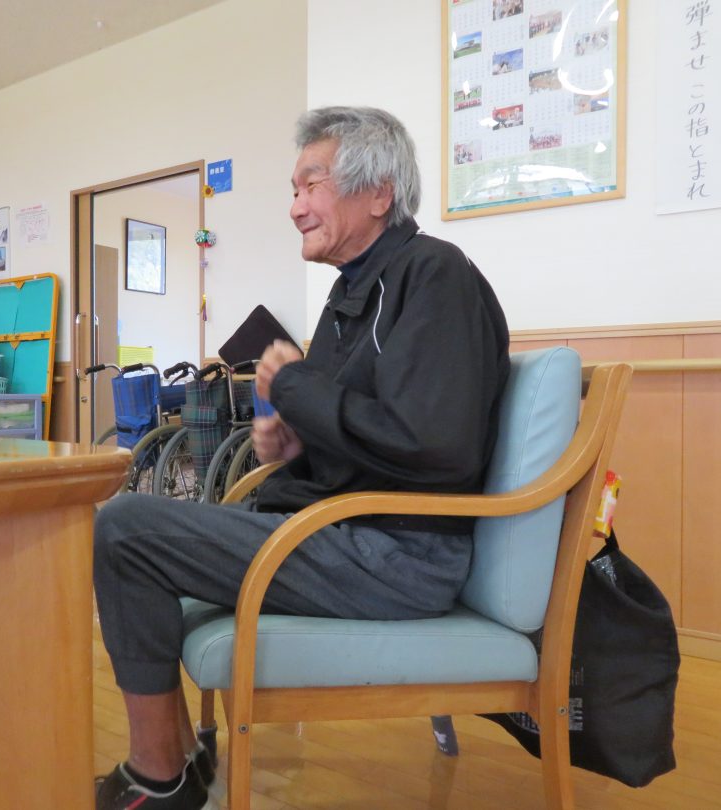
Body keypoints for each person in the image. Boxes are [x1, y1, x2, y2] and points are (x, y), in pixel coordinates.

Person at [92, 106, 510, 810]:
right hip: (347, 531)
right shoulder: (354, 290)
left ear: (379, 193)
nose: (294, 207)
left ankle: (159, 778)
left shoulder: (433, 274)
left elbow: (434, 445)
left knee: (126, 528)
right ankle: (175, 762)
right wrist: (295, 445)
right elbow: (366, 429)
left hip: (398, 554)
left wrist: (293, 387)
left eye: (311, 185)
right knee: (132, 525)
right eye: (294, 189)